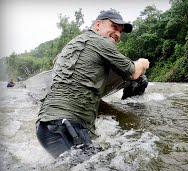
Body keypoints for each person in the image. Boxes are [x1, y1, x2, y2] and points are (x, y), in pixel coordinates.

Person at [36, 9, 150, 158]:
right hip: (64, 126)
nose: (118, 34)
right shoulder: (100, 42)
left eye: (121, 32)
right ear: (97, 25)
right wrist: (142, 62)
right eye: (114, 27)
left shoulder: (73, 44)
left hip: (48, 125)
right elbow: (134, 72)